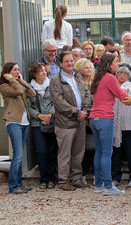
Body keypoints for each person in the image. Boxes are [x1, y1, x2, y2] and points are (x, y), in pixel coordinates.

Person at [50, 51, 91, 191]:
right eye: (67, 61)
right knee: (65, 153)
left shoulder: (77, 76)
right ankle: (63, 180)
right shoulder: (55, 80)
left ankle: (76, 178)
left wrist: (84, 111)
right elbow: (59, 102)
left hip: (80, 121)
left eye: (71, 61)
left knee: (78, 152)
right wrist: (76, 112)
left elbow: (86, 93)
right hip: (65, 123)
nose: (70, 63)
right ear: (61, 63)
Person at [89, 54, 128, 195]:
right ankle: (108, 185)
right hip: (105, 118)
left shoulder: (98, 78)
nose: (118, 64)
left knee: (99, 152)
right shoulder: (111, 78)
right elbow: (123, 96)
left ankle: (99, 185)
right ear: (108, 64)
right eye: (116, 62)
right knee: (106, 153)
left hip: (94, 118)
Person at [0, 62, 36, 194]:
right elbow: (19, 91)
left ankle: (19, 184)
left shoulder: (18, 83)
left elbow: (32, 93)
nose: (17, 72)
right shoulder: (4, 86)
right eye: (15, 70)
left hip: (24, 123)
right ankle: (13, 186)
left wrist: (23, 81)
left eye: (18, 70)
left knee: (19, 156)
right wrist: (12, 80)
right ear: (8, 72)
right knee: (18, 155)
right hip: (13, 122)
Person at [27, 62, 57, 190]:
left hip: (51, 121)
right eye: (41, 71)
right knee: (41, 150)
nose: (44, 72)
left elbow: (56, 102)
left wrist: (50, 114)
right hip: (36, 123)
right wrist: (39, 116)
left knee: (52, 150)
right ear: (34, 74)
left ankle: (51, 178)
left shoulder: (52, 85)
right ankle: (43, 178)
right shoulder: (29, 88)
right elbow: (28, 106)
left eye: (45, 70)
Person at [112, 66, 131, 187]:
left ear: (129, 75)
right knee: (116, 151)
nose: (122, 75)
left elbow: (124, 94)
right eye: (119, 73)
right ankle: (115, 176)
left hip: (128, 123)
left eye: (125, 73)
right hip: (115, 123)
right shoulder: (113, 84)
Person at [74, 58, 95, 185]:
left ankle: (94, 173)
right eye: (86, 67)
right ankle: (82, 173)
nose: (89, 69)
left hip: (94, 118)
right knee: (83, 148)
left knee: (94, 148)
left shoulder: (95, 82)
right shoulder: (76, 83)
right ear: (80, 69)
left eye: (90, 67)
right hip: (81, 118)